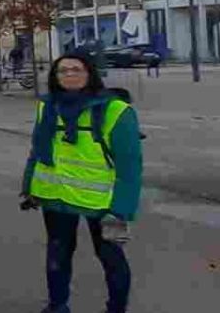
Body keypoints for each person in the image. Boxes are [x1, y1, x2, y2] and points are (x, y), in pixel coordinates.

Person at [21, 54, 141, 313]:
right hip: (56, 196)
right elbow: (38, 149)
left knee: (111, 258)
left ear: (90, 73)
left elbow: (130, 167)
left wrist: (122, 208)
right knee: (58, 254)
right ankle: (57, 306)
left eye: (76, 69)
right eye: (62, 71)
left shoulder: (116, 110)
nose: (69, 75)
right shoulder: (47, 106)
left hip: (103, 202)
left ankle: (116, 309)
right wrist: (29, 185)